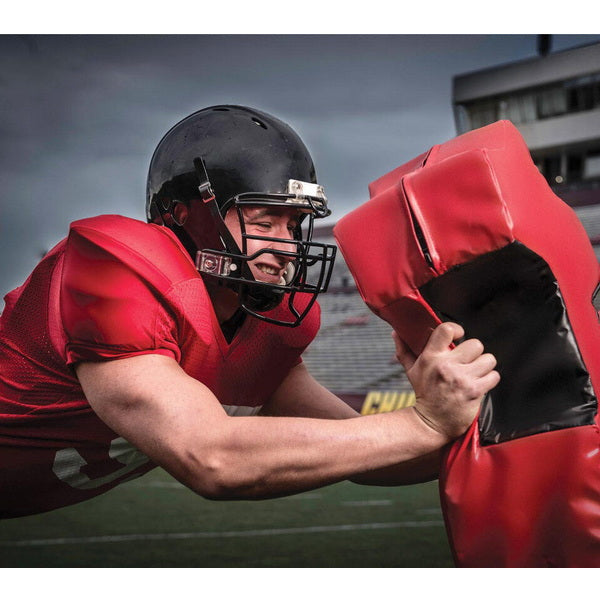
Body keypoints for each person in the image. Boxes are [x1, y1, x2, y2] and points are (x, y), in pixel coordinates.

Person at [0, 105, 500, 518]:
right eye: (265, 220)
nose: (286, 246)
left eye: (294, 224)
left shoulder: (261, 325)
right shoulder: (119, 268)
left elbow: (363, 453)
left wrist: (463, 417)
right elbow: (213, 459)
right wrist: (423, 424)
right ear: (184, 217)